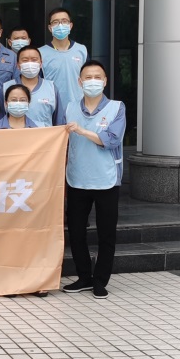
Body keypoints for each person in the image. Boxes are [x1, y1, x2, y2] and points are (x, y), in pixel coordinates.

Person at [62, 61, 126, 299]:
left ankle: (100, 280)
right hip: (77, 178)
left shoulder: (117, 107)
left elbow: (112, 139)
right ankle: (84, 277)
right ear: (80, 82)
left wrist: (82, 131)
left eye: (97, 77)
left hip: (106, 179)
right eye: (88, 77)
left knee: (106, 233)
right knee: (76, 232)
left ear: (105, 81)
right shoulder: (70, 108)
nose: (92, 81)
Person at [39, 7, 89, 125]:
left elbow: (88, 79)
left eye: (64, 21)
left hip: (79, 109)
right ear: (50, 28)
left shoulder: (82, 50)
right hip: (52, 110)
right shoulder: (40, 53)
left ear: (70, 25)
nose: (60, 25)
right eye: (55, 22)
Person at [15, 45, 59, 128]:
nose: (30, 64)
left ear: (41, 63)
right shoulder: (6, 87)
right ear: (18, 65)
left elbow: (59, 122)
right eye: (25, 60)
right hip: (16, 136)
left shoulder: (51, 88)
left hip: (45, 136)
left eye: (34, 60)